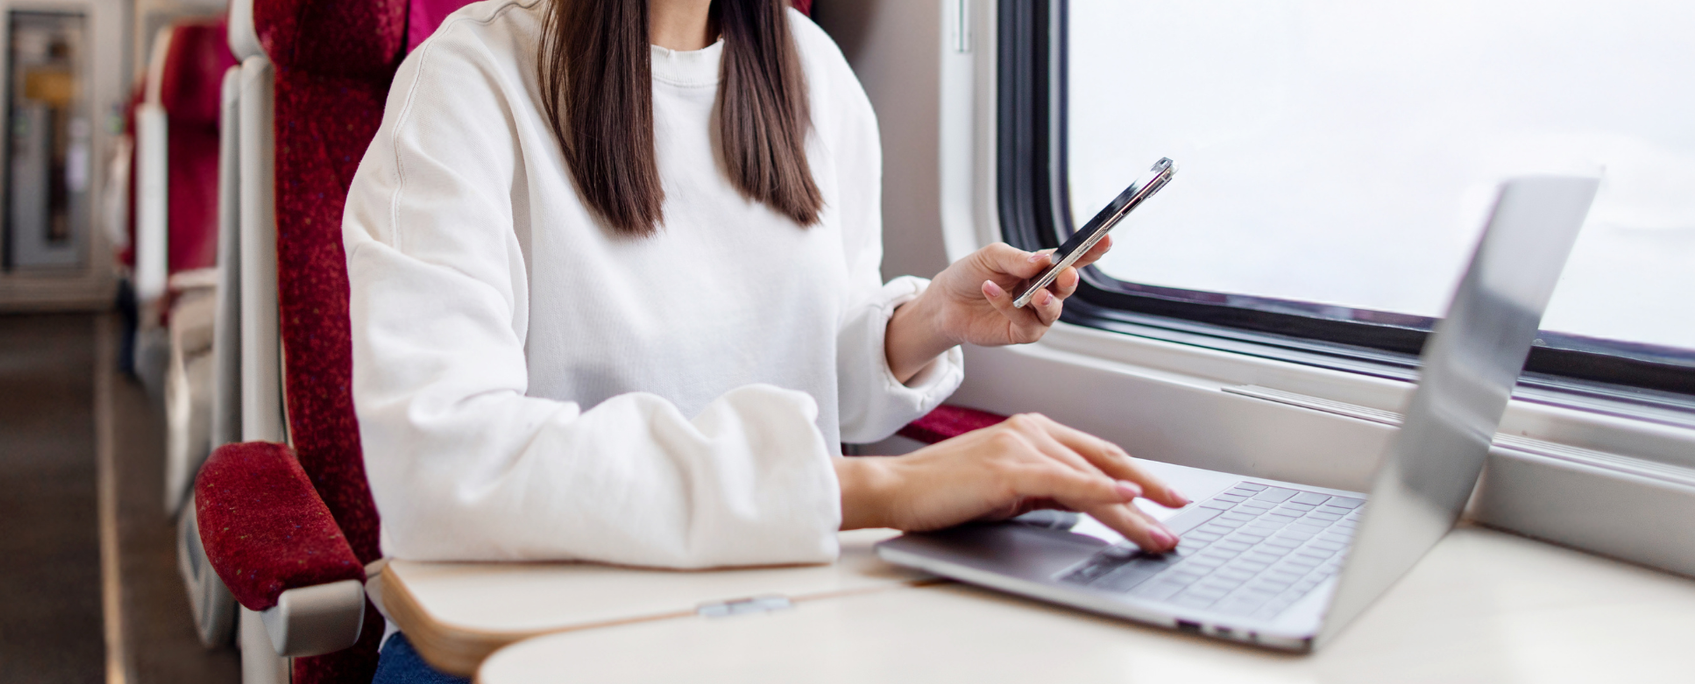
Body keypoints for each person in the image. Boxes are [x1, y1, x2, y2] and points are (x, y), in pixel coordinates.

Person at [343, 0, 1188, 679]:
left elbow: (814, 372)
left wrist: (925, 321)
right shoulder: (464, 85)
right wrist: (878, 492)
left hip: (775, 601)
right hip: (528, 624)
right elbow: (443, 468)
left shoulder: (814, 71)